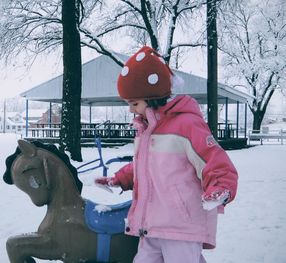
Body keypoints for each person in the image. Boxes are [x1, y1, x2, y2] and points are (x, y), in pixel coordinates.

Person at [95, 46, 238, 263]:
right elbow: (146, 165)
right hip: (151, 224)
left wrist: (219, 188)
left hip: (181, 225)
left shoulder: (187, 125)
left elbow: (215, 161)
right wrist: (121, 178)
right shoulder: (145, 129)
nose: (131, 110)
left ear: (152, 98)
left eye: (134, 103)